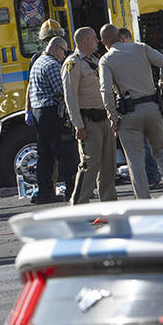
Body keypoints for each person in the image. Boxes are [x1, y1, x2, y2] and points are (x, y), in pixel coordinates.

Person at [97, 23, 163, 199]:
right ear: (120, 36)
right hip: (152, 107)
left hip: (128, 114)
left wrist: (113, 118)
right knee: (162, 152)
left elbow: (105, 91)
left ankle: (144, 202)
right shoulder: (141, 48)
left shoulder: (106, 60)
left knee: (135, 161)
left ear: (103, 41)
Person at [62, 27, 116, 204]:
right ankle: (78, 205)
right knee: (89, 164)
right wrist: (78, 125)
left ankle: (109, 203)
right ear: (83, 41)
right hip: (89, 121)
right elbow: (70, 97)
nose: (97, 41)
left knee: (108, 164)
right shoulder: (73, 64)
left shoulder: (96, 61)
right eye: (94, 38)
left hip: (104, 118)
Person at [28, 36, 77, 204]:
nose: (65, 55)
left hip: (39, 113)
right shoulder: (52, 65)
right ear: (57, 48)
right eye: (64, 51)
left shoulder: (38, 62)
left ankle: (45, 193)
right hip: (52, 113)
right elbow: (62, 91)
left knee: (45, 156)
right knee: (67, 153)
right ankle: (73, 192)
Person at [118, 28, 163, 188]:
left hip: (133, 109)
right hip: (151, 105)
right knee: (159, 149)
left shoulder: (117, 57)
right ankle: (161, 179)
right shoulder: (142, 50)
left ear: (122, 39)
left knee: (140, 149)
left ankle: (150, 179)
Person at [25, 19, 66, 127]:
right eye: (48, 39)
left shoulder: (38, 59)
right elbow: (31, 87)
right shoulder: (39, 58)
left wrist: (28, 110)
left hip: (41, 111)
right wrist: (27, 110)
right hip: (52, 110)